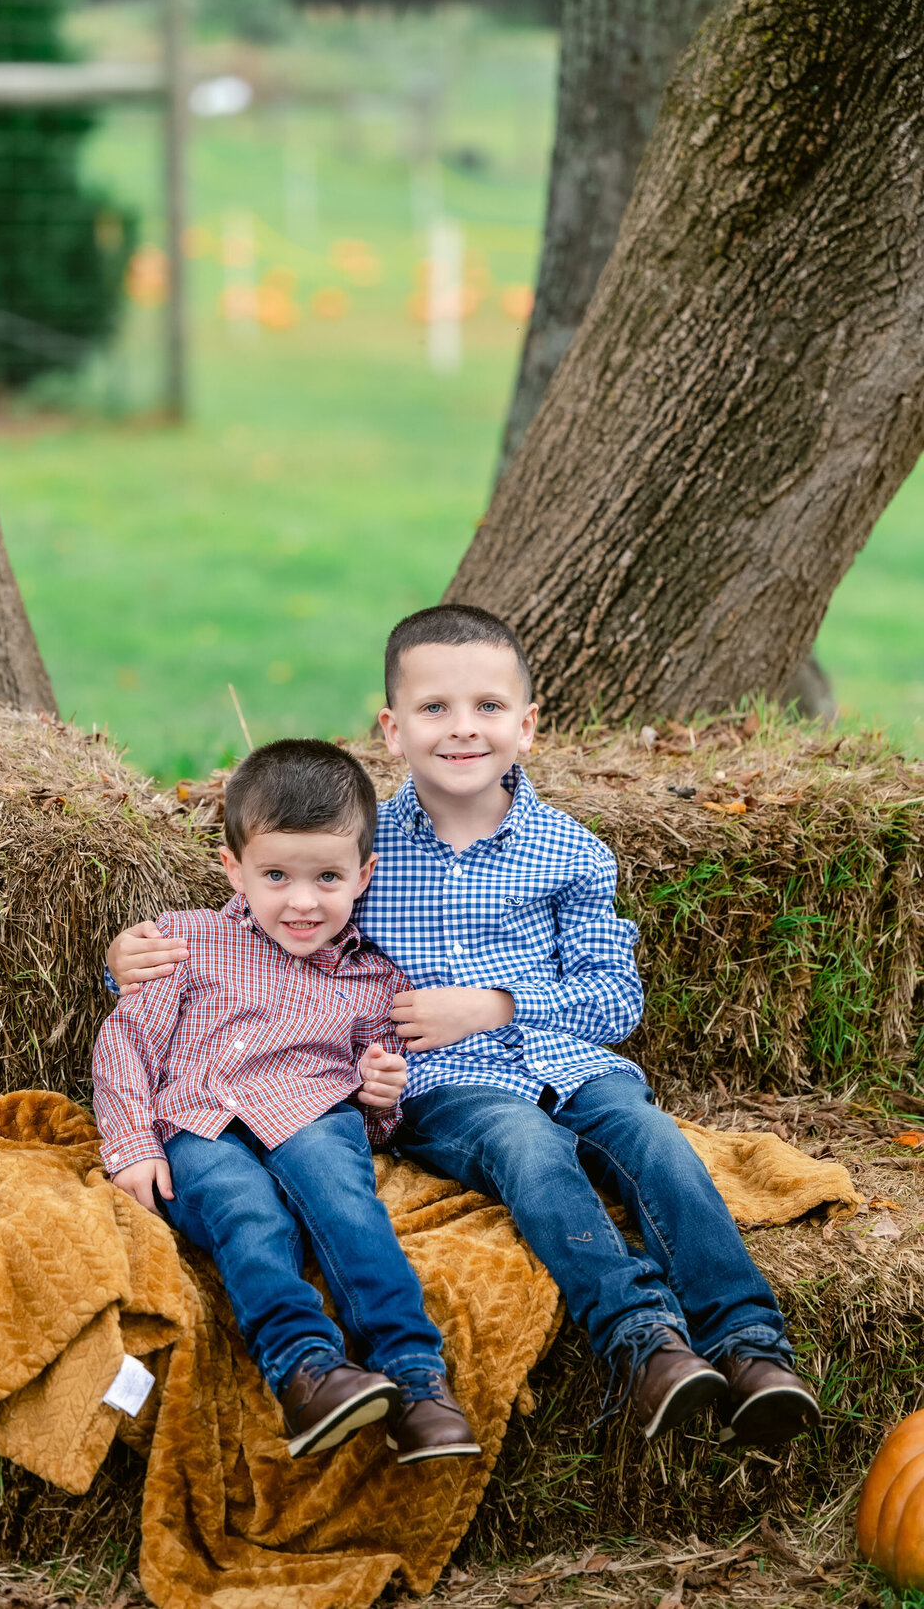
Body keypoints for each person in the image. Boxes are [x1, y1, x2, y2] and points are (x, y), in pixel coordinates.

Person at [107, 607, 821, 1451]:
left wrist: (496, 1003)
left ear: (526, 724)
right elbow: (259, 922)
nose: (462, 729)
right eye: (435, 708)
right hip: (450, 1089)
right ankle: (644, 1340)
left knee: (656, 1143)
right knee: (530, 1149)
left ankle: (749, 1345)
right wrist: (129, 955)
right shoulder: (363, 845)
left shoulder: (572, 852)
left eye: (487, 707)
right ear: (393, 727)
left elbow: (616, 997)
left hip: (570, 1061)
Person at [93, 736, 480, 1466]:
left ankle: (417, 1378)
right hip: (198, 1122)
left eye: (327, 877)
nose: (303, 902)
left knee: (345, 1203)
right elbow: (125, 1043)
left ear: (364, 874)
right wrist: (131, 1147)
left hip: (316, 1113)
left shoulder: (376, 981)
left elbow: (377, 1117)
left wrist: (378, 1095)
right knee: (245, 1208)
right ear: (234, 869)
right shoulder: (183, 940)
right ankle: (307, 1370)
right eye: (276, 875)